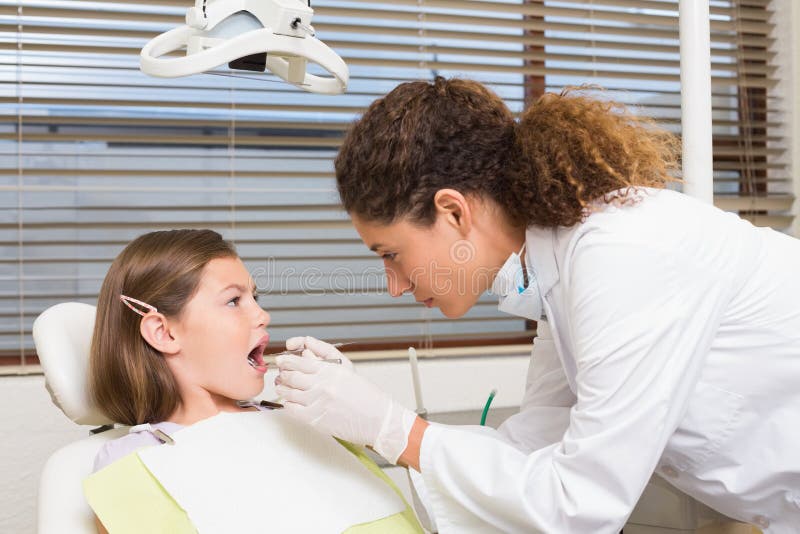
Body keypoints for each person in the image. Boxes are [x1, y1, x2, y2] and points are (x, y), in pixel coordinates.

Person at [274, 78, 800, 533]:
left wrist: (393, 428)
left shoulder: (620, 255)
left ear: (453, 212)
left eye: (391, 254)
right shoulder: (555, 271)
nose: (394, 285)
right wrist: (367, 419)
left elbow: (580, 505)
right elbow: (537, 442)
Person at [85, 229, 422, 534]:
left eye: (255, 299)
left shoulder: (305, 422)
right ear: (164, 332)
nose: (263, 316)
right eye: (233, 301)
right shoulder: (135, 463)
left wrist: (374, 426)